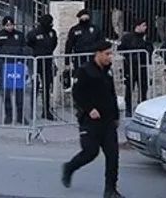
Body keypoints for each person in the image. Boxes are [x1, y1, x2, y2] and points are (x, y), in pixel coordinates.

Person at [62, 40, 125, 198]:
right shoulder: (85, 71)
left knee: (113, 155)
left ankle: (110, 190)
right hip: (90, 121)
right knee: (90, 152)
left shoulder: (108, 71)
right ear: (98, 53)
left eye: (111, 54)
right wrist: (89, 109)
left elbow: (112, 94)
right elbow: (77, 93)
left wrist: (116, 116)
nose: (110, 57)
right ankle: (69, 167)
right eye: (107, 54)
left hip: (108, 120)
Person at [0, 15, 29, 125]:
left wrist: (10, 51)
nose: (10, 27)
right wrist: (13, 51)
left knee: (19, 92)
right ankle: (8, 115)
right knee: (6, 92)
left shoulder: (20, 35)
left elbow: (25, 49)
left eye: (11, 24)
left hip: (18, 66)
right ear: (3, 26)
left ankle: (20, 116)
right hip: (4, 66)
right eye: (7, 25)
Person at [26, 13, 59, 121]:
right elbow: (28, 46)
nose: (51, 24)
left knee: (47, 86)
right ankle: (33, 110)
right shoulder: (33, 33)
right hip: (36, 62)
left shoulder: (52, 33)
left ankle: (46, 111)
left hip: (47, 61)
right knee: (35, 86)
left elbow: (54, 43)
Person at [117, 19, 153, 116]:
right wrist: (130, 57)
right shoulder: (127, 37)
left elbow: (150, 49)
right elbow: (120, 49)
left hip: (143, 66)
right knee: (129, 88)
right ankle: (128, 109)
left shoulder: (146, 38)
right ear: (137, 26)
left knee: (143, 88)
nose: (145, 27)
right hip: (130, 66)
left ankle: (142, 108)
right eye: (143, 25)